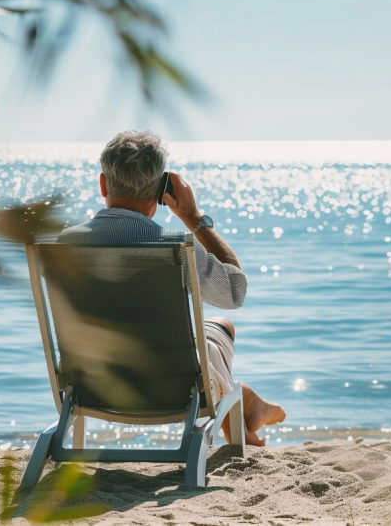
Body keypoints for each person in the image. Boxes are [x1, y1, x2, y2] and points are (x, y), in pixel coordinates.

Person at [58, 130, 285, 446]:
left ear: (103, 184)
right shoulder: (176, 248)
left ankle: (243, 402)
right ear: (162, 190)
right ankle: (240, 402)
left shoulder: (64, 246)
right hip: (171, 388)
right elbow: (234, 293)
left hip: (92, 384)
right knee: (222, 325)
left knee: (210, 329)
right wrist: (193, 219)